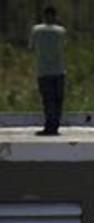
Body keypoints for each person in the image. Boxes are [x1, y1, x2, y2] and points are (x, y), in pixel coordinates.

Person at [29, 6, 66, 137]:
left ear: (44, 16)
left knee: (47, 100)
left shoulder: (36, 30)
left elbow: (31, 47)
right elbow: (63, 46)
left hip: (43, 71)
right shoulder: (61, 31)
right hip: (59, 70)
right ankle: (55, 126)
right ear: (55, 16)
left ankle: (49, 126)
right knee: (57, 100)